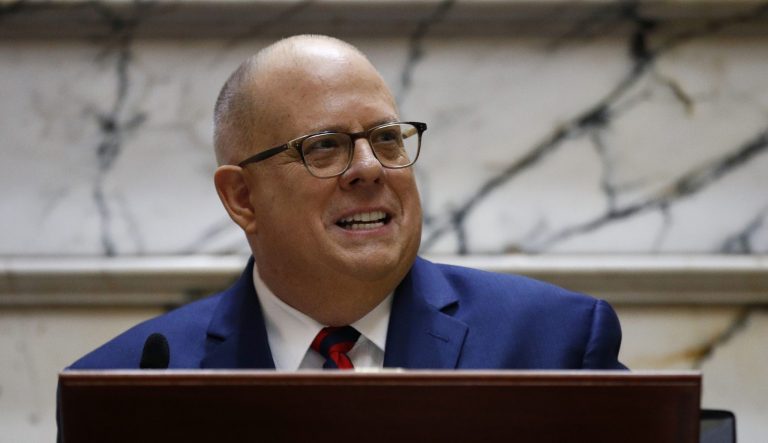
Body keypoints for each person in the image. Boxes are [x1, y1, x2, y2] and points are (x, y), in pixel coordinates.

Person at [66, 35, 626, 372]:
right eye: (324, 146)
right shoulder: (131, 382)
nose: (370, 168)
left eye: (386, 138)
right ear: (242, 197)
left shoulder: (556, 343)